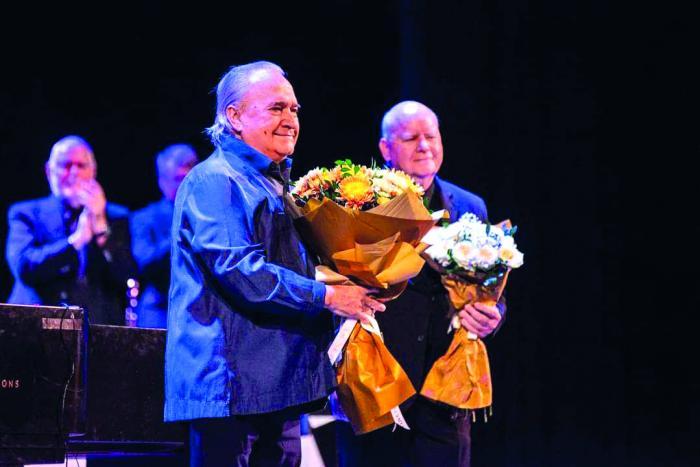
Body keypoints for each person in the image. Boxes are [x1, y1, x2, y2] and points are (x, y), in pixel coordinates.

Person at [164, 61, 385, 467]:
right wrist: (328, 296)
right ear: (234, 116)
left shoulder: (273, 183)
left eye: (294, 109)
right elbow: (240, 270)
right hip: (231, 390)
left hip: (278, 386)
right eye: (276, 108)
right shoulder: (215, 179)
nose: (290, 119)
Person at [336, 101, 506, 467]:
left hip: (445, 386)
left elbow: (491, 284)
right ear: (386, 148)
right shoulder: (358, 201)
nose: (424, 146)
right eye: (411, 138)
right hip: (377, 384)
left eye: (431, 136)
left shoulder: (469, 205)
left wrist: (492, 314)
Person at [5, 135, 137, 325]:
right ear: (49, 171)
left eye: (81, 165)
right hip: (35, 324)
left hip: (96, 328)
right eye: (65, 165)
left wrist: (100, 226)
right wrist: (75, 242)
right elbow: (24, 267)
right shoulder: (26, 213)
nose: (74, 172)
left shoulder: (117, 216)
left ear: (93, 171)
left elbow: (128, 277)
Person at [130, 144, 199, 328]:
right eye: (178, 179)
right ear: (162, 182)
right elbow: (146, 261)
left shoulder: (210, 214)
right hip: (160, 311)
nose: (185, 186)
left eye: (189, 179)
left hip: (203, 310)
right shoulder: (144, 218)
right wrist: (184, 231)